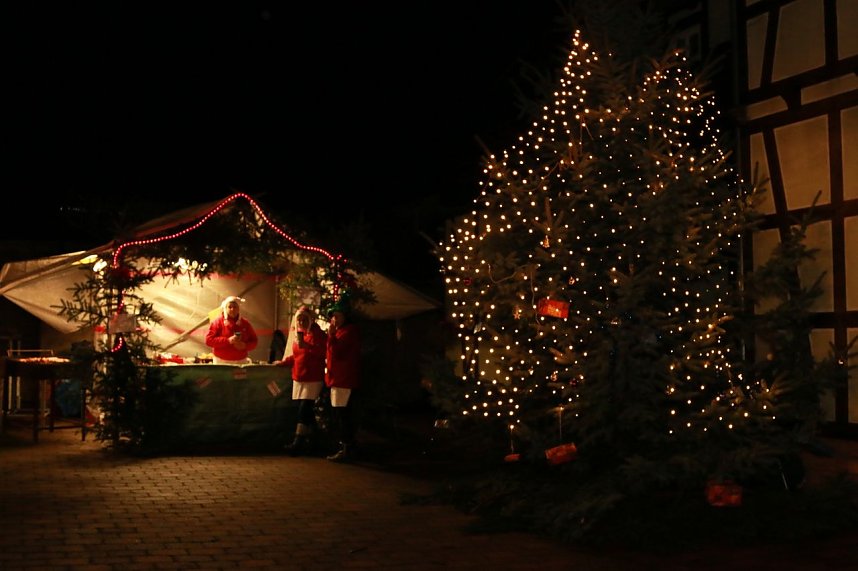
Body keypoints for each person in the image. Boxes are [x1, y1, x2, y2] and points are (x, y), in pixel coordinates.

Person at [274, 305, 327, 456]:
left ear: (311, 320)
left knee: (304, 409)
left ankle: (298, 441)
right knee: (307, 411)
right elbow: (297, 355)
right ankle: (315, 441)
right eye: (299, 319)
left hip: (313, 377)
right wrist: (283, 362)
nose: (302, 322)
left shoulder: (318, 335)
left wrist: (307, 346)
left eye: (305, 319)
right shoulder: (299, 335)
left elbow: (322, 353)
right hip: (299, 376)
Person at [324, 295, 361, 462]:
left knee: (343, 414)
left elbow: (338, 352)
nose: (334, 320)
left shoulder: (348, 332)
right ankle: (346, 447)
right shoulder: (342, 331)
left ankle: (347, 447)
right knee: (340, 413)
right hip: (337, 378)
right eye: (333, 316)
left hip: (343, 379)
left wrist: (331, 336)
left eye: (337, 316)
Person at [205, 296, 258, 364]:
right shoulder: (217, 322)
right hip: (221, 361)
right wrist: (228, 341)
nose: (232, 309)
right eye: (230, 307)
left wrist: (245, 345)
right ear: (225, 308)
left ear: (239, 309)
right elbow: (209, 340)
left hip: (240, 361)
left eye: (235, 307)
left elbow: (254, 341)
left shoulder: (245, 323)